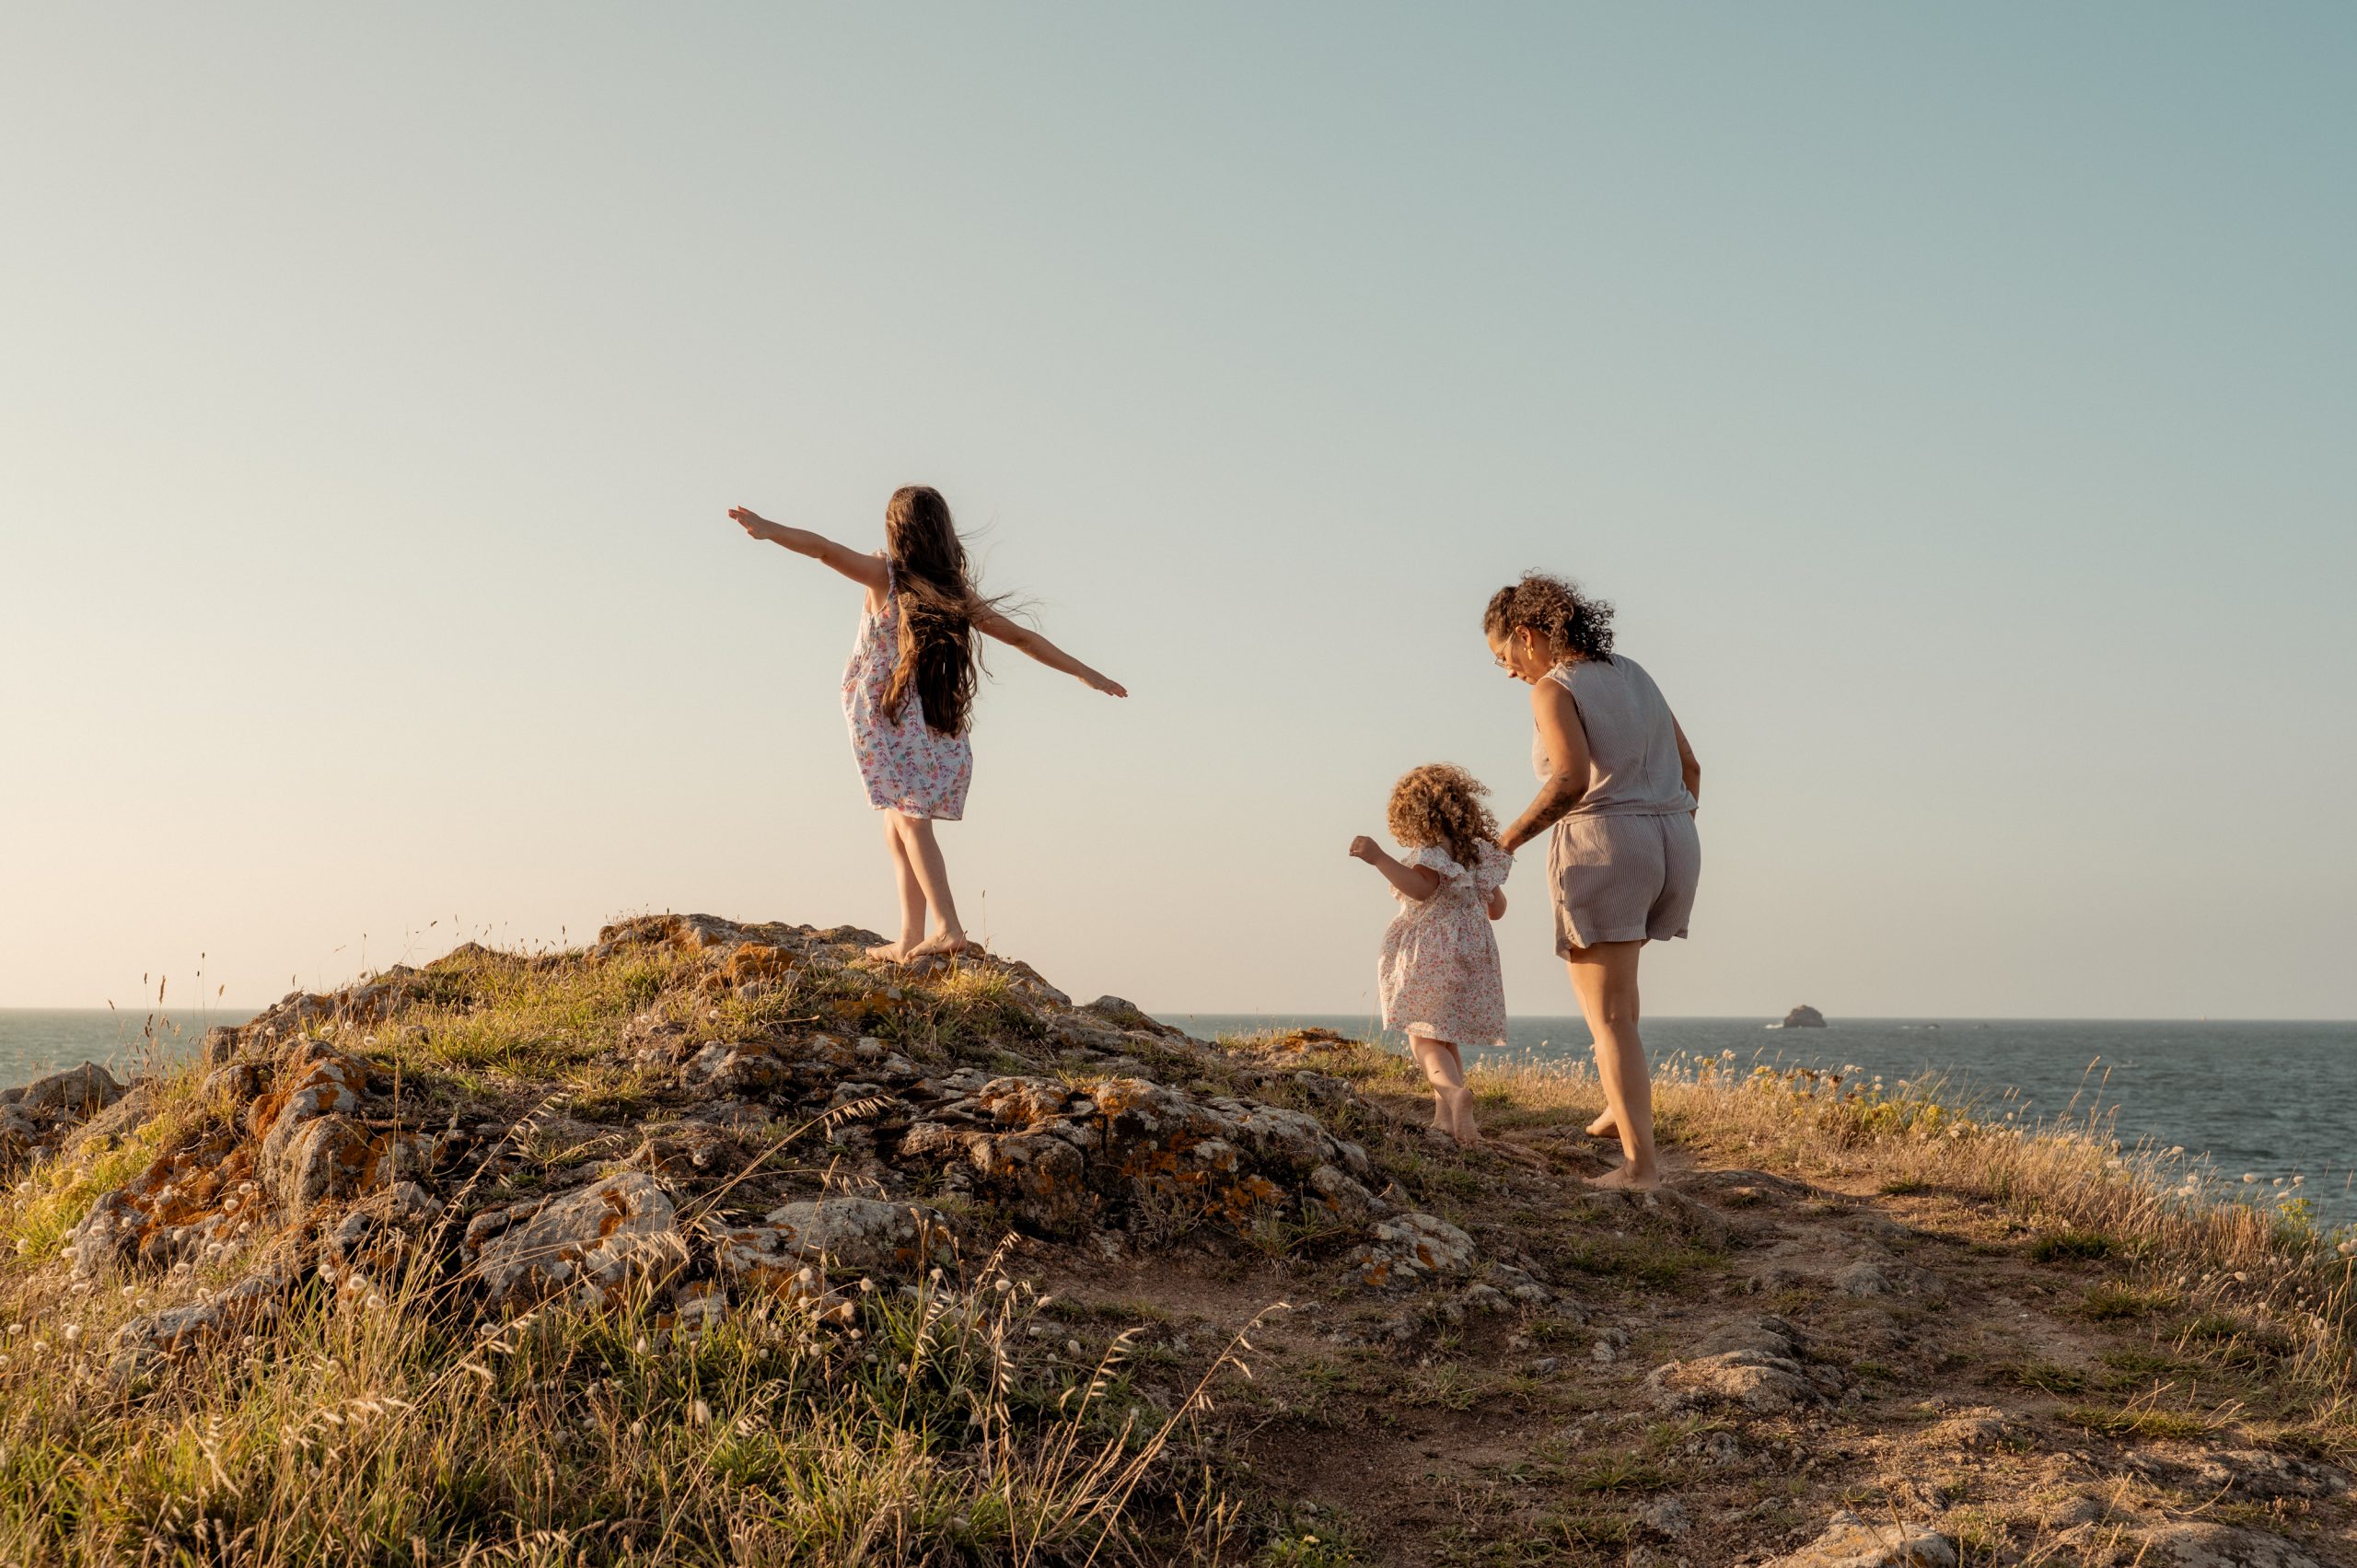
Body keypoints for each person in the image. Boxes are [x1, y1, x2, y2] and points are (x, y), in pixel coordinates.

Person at [728, 485, 1126, 961]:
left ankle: (947, 927)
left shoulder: (885, 576)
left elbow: (823, 550)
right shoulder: (951, 593)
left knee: (910, 823)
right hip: (931, 725)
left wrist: (771, 531)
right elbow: (1022, 637)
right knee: (895, 826)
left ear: (898, 532)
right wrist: (1086, 671)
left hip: (893, 722)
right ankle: (911, 936)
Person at [1486, 573, 1700, 1190]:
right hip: (1674, 837)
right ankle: (1618, 1101)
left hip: (1607, 840)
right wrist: (1666, 829)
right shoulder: (1634, 671)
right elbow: (1690, 765)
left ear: (1528, 636)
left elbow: (1570, 779)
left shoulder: (1554, 687)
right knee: (1619, 1001)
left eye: (1505, 656)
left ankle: (1641, 1168)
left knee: (1608, 1016)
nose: (1508, 671)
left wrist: (1506, 841)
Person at [1350, 764, 1511, 1146]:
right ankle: (1445, 1118)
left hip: (1432, 955)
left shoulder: (1430, 853)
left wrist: (1378, 858)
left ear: (1413, 815)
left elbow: (1420, 889)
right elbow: (1497, 909)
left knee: (1423, 1037)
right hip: (1472, 954)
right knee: (1445, 1033)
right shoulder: (1477, 856)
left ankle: (1454, 1095)